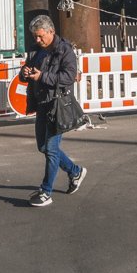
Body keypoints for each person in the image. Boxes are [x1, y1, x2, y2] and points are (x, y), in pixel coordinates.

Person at [20, 14, 88, 207]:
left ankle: (45, 191)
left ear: (51, 31)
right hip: (41, 104)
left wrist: (42, 76)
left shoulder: (65, 50)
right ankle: (75, 171)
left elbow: (68, 76)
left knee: (50, 149)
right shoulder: (35, 50)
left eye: (41, 36)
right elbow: (28, 72)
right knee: (43, 147)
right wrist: (24, 73)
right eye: (35, 36)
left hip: (57, 105)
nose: (37, 40)